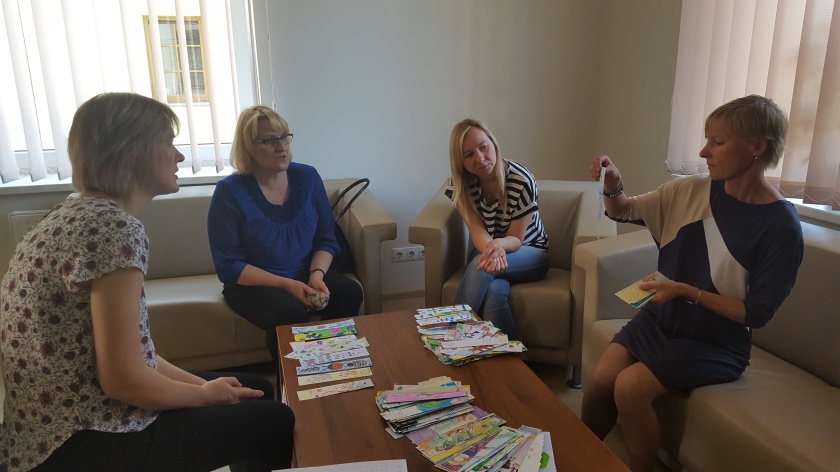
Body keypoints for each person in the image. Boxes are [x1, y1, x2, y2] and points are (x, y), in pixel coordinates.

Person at [0, 93, 294, 472]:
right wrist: (204, 397)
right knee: (274, 420)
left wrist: (207, 389)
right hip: (80, 438)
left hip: (38, 432)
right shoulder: (115, 229)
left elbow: (138, 357)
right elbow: (123, 380)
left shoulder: (68, 214)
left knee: (251, 388)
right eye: (169, 144)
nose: (179, 156)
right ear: (133, 151)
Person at [581, 95, 803, 472]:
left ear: (757, 146)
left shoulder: (781, 226)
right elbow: (622, 209)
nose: (703, 152)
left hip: (717, 342)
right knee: (602, 379)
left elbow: (757, 313)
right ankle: (577, 457)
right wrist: (613, 184)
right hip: (663, 320)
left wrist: (688, 292)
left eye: (717, 142)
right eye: (706, 140)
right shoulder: (690, 190)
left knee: (629, 388)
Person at [208, 105, 363, 361]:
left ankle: (332, 363)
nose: (282, 147)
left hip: (304, 272)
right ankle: (292, 378)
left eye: (284, 137)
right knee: (289, 313)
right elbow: (229, 266)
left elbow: (326, 239)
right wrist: (286, 285)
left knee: (350, 292)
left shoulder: (307, 177)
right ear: (248, 147)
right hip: (252, 284)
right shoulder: (229, 192)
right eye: (270, 140)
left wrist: (316, 275)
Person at [446, 118, 550, 338]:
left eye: (483, 147)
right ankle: (510, 357)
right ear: (461, 161)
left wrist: (497, 246)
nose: (480, 158)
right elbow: (477, 231)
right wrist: (492, 248)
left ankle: (452, 335)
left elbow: (516, 238)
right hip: (488, 249)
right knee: (493, 292)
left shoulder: (522, 180)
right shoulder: (461, 185)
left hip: (530, 251)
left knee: (482, 266)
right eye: (469, 154)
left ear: (493, 144)